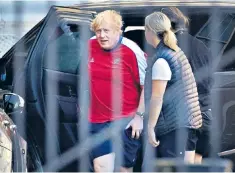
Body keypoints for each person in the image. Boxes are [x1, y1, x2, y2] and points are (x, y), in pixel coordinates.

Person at [88, 10, 147, 172]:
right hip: (98, 121)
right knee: (100, 167)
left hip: (126, 120)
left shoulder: (132, 51)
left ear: (118, 30)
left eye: (106, 31)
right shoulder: (90, 45)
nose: (101, 35)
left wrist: (139, 117)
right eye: (98, 31)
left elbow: (146, 86)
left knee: (123, 169)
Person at [143, 11, 202, 165]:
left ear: (150, 32)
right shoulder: (176, 52)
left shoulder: (162, 59)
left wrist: (150, 127)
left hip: (174, 127)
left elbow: (157, 97)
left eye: (145, 29)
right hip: (188, 123)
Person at [161, 7, 213, 163]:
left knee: (180, 164)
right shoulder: (202, 46)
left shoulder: (170, 49)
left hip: (183, 117)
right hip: (206, 113)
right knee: (196, 163)